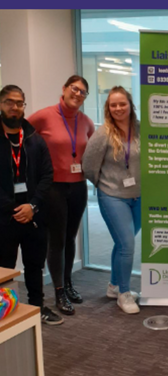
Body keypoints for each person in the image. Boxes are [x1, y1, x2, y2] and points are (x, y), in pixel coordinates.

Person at [28, 76, 95, 316]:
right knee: (55, 240)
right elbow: (20, 138)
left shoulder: (86, 122)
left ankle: (68, 284)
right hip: (53, 188)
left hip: (78, 187)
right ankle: (58, 292)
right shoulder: (43, 116)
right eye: (74, 89)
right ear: (64, 89)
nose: (78, 94)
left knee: (70, 238)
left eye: (83, 92)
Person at [0, 85, 63, 325]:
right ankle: (4, 311)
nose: (14, 107)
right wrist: (13, 209)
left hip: (34, 215)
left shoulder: (35, 140)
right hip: (5, 217)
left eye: (19, 103)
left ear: (24, 106)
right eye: (8, 102)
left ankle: (37, 308)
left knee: (34, 266)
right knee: (4, 267)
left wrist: (32, 206)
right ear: (1, 104)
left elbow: (48, 175)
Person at [83, 86, 141, 314]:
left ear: (130, 105)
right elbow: (89, 167)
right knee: (127, 245)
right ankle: (124, 294)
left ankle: (113, 286)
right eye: (113, 104)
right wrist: (106, 186)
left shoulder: (140, 129)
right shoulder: (102, 134)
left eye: (122, 104)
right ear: (108, 107)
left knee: (122, 243)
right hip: (113, 197)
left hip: (139, 196)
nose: (118, 108)